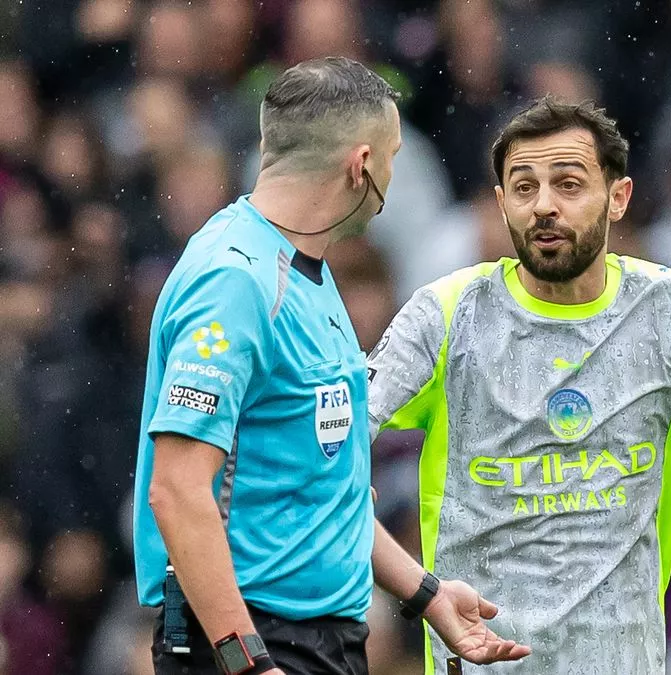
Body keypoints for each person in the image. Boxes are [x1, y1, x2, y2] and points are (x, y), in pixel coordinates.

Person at [366, 96, 671, 674]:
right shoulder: (445, 314)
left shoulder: (670, 307)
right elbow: (338, 430)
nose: (544, 206)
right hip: (481, 662)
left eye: (569, 185)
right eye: (524, 188)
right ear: (501, 204)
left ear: (618, 197)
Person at [131, 57, 530, 675]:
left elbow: (325, 488)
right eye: (393, 155)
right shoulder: (234, 281)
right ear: (362, 164)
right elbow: (177, 489)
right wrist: (248, 663)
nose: (393, 177)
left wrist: (428, 594)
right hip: (251, 639)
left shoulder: (307, 271)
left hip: (317, 641)